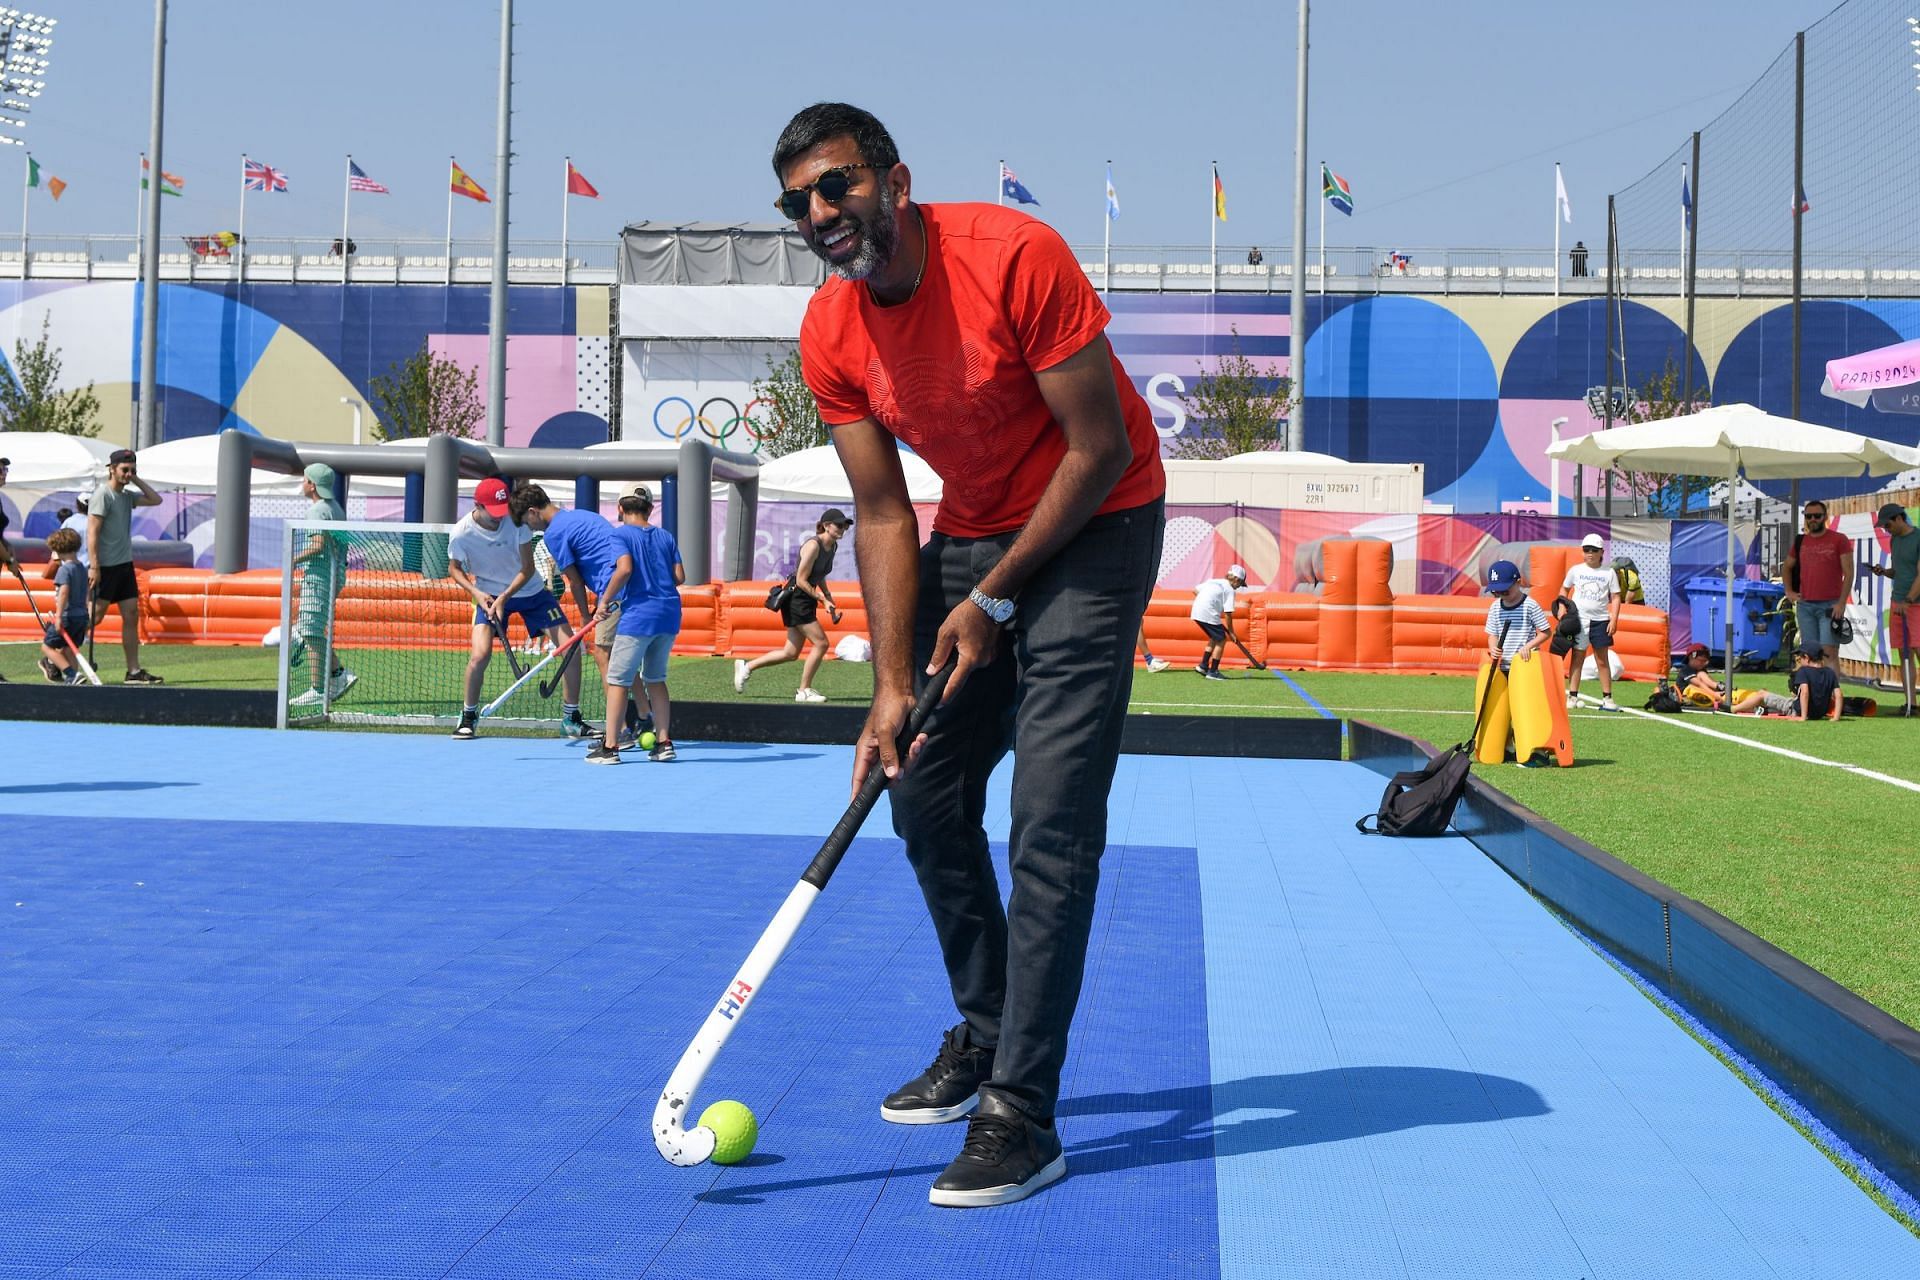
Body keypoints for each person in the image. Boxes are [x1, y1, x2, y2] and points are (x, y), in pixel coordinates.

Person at [775, 102, 1167, 1207]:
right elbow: (885, 511)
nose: (821, 212)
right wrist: (890, 686)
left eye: (838, 185)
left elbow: (1099, 449)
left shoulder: (1015, 256)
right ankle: (988, 1029)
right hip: (975, 529)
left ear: (895, 181)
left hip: (1099, 522)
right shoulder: (832, 330)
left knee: (1050, 817)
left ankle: (1021, 1112)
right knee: (922, 785)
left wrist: (993, 599)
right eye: (800, 200)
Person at [446, 477, 592, 741]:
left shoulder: (516, 523)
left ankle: (571, 719)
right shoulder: (461, 533)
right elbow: (454, 569)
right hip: (488, 595)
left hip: (531, 592)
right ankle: (468, 716)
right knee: (480, 655)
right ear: (478, 505)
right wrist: (478, 594)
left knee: (571, 649)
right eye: (495, 511)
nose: (502, 517)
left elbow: (527, 568)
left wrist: (504, 596)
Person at [507, 483, 633, 765]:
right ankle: (644, 719)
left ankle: (621, 731)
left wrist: (587, 618)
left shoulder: (554, 534)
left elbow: (574, 580)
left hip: (613, 591)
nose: (529, 528)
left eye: (526, 521)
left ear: (532, 512)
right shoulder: (582, 515)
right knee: (625, 660)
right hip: (629, 588)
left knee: (603, 654)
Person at [734, 508, 849, 703]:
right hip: (797, 597)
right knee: (821, 643)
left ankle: (746, 667)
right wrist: (822, 600)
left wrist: (828, 597)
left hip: (806, 598)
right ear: (826, 526)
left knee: (790, 653)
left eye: (845, 525)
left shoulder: (833, 547)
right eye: (839, 525)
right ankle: (803, 691)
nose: (843, 528)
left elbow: (819, 575)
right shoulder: (814, 546)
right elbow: (802, 580)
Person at [609, 488, 685, 762]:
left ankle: (610, 747)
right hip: (668, 613)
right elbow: (679, 576)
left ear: (620, 508)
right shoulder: (665, 536)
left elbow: (624, 569)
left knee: (618, 680)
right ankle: (664, 742)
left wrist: (605, 600)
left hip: (639, 616)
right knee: (656, 678)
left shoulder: (619, 535)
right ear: (650, 508)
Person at [86, 448, 164, 685]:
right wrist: (95, 566)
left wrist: (137, 478)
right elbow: (92, 532)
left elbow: (155, 499)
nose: (128, 474)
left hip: (124, 565)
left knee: (131, 615)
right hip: (106, 566)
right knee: (93, 617)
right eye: (124, 470)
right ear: (112, 469)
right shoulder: (103, 495)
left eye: (132, 470)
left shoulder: (126, 496)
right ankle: (56, 651)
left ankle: (133, 671)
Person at [287, 464, 357, 708]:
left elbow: (317, 544)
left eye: (305, 480)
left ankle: (318, 688)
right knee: (310, 629)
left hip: (319, 577)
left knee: (311, 632)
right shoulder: (335, 508)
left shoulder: (317, 511)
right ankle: (338, 674)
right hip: (333, 574)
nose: (302, 484)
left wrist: (292, 558)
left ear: (313, 485)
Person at [1783, 499, 1853, 680]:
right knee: (1809, 654)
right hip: (1805, 605)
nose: (1812, 519)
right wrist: (1789, 591)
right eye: (1808, 516)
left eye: (1817, 516)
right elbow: (1787, 567)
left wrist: (1841, 603)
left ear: (1825, 517)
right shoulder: (1801, 541)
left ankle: (1831, 696)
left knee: (1829, 652)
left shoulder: (1839, 540)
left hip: (1830, 606)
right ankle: (1812, 694)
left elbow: (1849, 573)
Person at [1561, 533, 1623, 710]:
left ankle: (1608, 698)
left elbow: (1616, 596)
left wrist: (1614, 619)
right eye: (1586, 549)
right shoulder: (1576, 570)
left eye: (1594, 550)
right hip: (1579, 620)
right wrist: (1562, 608)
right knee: (1577, 657)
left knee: (1602, 660)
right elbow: (1564, 590)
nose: (1589, 553)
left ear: (1601, 552)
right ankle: (1572, 696)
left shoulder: (1609, 572)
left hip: (1601, 620)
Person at [1872, 502, 1920, 717]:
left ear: (1899, 518)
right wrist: (1884, 572)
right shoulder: (1894, 540)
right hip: (1898, 602)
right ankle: (1911, 703)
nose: (1886, 528)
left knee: (1918, 651)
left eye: (1888, 524)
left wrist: (1908, 600)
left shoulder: (1918, 538)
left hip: (1915, 603)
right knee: (1904, 653)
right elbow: (1900, 571)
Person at [1728, 645, 1839, 719]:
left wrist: (1803, 717)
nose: (1799, 660)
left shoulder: (1804, 671)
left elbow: (1805, 692)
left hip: (1796, 710)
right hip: (1818, 714)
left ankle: (1732, 709)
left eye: (1800, 657)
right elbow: (1839, 695)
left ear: (1807, 657)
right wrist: (1836, 718)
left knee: (1762, 694)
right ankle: (1757, 707)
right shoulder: (1830, 672)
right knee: (1776, 699)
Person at [36, 528, 89, 684]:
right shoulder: (82, 568)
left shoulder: (64, 570)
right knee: (68, 648)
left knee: (47, 647)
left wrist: (58, 616)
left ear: (57, 550)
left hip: (67, 616)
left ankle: (71, 673)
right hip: (81, 616)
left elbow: (64, 593)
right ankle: (75, 680)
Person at [1484, 559, 1552, 673]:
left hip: (1525, 663)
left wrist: (1528, 646)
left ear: (1518, 582)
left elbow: (1546, 632)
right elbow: (1492, 634)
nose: (1501, 595)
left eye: (1505, 591)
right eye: (1495, 592)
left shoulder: (1530, 605)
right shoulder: (1495, 607)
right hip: (1503, 664)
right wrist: (1493, 648)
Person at [1189, 565, 1248, 680]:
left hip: (1196, 611)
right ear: (1236, 579)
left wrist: (1208, 602)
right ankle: (1213, 671)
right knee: (1221, 639)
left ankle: (1203, 666)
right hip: (1208, 613)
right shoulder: (1230, 590)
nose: (1238, 587)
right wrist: (1231, 632)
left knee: (1215, 637)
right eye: (1240, 584)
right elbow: (1228, 613)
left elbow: (1195, 590)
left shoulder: (1214, 581)